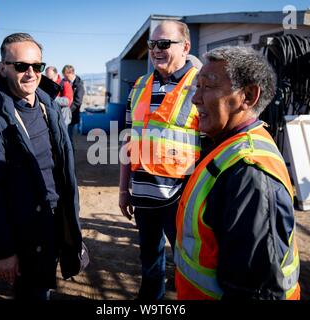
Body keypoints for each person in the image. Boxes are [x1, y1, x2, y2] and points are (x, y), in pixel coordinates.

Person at [174, 46, 300, 300]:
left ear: (249, 95)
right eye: (196, 87)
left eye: (208, 87)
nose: (195, 99)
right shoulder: (226, 145)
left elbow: (256, 292)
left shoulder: (249, 173)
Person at [0, 33, 85, 300]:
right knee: (33, 293)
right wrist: (4, 251)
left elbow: (62, 169)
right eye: (21, 66)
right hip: (24, 232)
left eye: (37, 66)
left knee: (45, 286)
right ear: (3, 67)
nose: (30, 73)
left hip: (56, 221)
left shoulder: (48, 107)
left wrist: (69, 221)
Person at [119, 20, 200, 300]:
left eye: (164, 44)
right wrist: (123, 190)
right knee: (150, 261)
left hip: (183, 199)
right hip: (143, 195)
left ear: (185, 47)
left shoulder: (201, 86)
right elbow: (128, 140)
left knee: (188, 263)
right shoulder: (140, 85)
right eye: (153, 44)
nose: (155, 50)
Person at [62, 65, 85, 145]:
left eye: (66, 76)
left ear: (71, 73)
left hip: (71, 115)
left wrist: (67, 110)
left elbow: (77, 102)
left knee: (68, 137)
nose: (64, 78)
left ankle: (70, 156)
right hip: (64, 115)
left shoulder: (79, 85)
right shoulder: (65, 82)